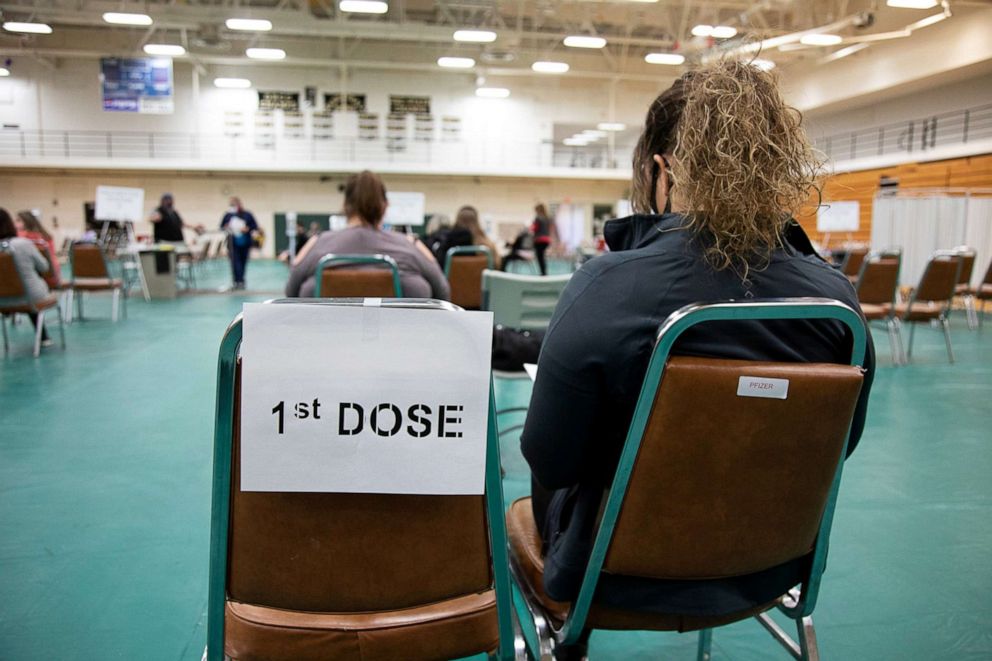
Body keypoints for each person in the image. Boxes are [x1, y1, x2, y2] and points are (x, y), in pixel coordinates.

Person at [520, 60, 875, 657]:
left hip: (612, 573)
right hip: (771, 565)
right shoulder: (836, 304)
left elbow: (550, 457)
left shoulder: (608, 286)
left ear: (663, 170)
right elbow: (841, 444)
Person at [286, 170, 450, 299]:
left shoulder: (316, 243)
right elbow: (442, 292)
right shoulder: (412, 245)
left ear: (345, 205)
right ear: (385, 206)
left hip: (327, 336)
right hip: (401, 338)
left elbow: (290, 291)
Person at [0, 208, 53, 346]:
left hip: (2, 301)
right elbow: (44, 267)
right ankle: (44, 338)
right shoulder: (23, 244)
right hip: (31, 297)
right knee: (29, 288)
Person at [220, 197, 259, 290]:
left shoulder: (247, 215)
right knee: (234, 262)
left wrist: (247, 229)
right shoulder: (228, 215)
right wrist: (226, 226)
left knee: (243, 262)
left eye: (235, 204)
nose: (233, 206)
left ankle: (241, 280)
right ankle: (236, 281)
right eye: (231, 205)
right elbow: (221, 227)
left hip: (245, 243)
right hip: (233, 244)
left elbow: (255, 226)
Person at [15, 210, 61, 285]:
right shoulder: (46, 235)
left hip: (38, 276)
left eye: (18, 220)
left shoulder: (23, 237)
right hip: (53, 273)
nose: (15, 223)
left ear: (27, 221)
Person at [453, 206, 502, 270]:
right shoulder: (487, 246)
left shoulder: (450, 247)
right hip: (482, 279)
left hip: (454, 279)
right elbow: (497, 265)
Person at [530, 203, 554, 275]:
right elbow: (549, 229)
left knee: (540, 257)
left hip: (539, 240)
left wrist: (531, 227)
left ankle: (543, 273)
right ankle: (544, 272)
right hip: (546, 240)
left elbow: (535, 228)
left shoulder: (538, 218)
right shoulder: (548, 218)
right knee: (542, 257)